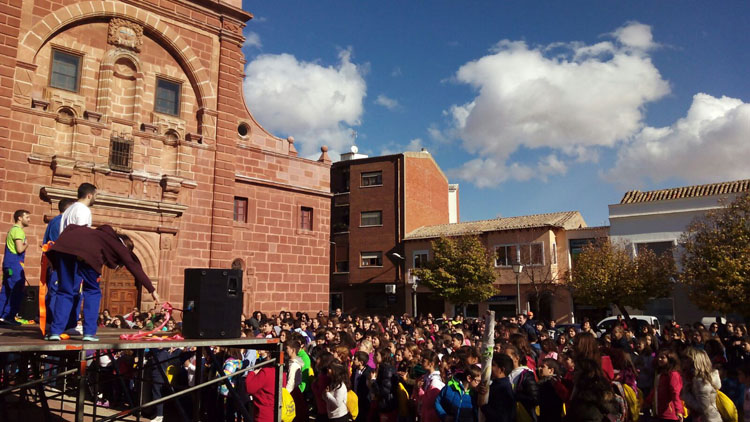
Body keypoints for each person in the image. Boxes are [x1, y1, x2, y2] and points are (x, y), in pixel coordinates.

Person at [44, 225, 160, 341]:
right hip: (88, 255)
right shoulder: (117, 244)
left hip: (63, 249)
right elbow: (132, 264)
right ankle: (89, 333)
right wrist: (152, 289)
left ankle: (55, 332)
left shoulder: (94, 234)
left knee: (65, 291)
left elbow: (70, 228)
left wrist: (54, 256)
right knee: (92, 292)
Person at [42, 199, 75, 330]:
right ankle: (56, 323)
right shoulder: (61, 222)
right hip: (59, 264)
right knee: (57, 292)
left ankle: (53, 321)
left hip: (55, 263)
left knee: (55, 291)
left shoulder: (54, 221)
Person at [0, 210, 31, 325]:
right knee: (17, 290)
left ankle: (2, 316)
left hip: (8, 264)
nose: (29, 219)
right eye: (27, 217)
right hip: (15, 264)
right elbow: (19, 249)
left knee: (6, 291)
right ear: (19, 218)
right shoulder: (18, 232)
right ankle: (9, 316)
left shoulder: (11, 230)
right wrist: (26, 245)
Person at [681, 347, 722, 422]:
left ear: (694, 361)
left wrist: (686, 395)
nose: (683, 361)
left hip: (707, 419)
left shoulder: (701, 381)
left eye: (686, 358)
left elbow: (704, 407)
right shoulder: (692, 378)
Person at [645, 349, 684, 421]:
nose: (659, 359)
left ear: (670, 359)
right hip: (659, 413)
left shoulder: (673, 374)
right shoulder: (660, 374)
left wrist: (679, 411)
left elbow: (675, 393)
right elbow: (656, 390)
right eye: (659, 357)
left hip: (669, 414)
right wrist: (647, 401)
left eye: (662, 358)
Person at [478, 353, 516, 422]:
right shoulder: (495, 384)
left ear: (501, 370)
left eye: (493, 365)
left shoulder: (504, 389)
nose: (490, 367)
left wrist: (483, 406)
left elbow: (501, 417)